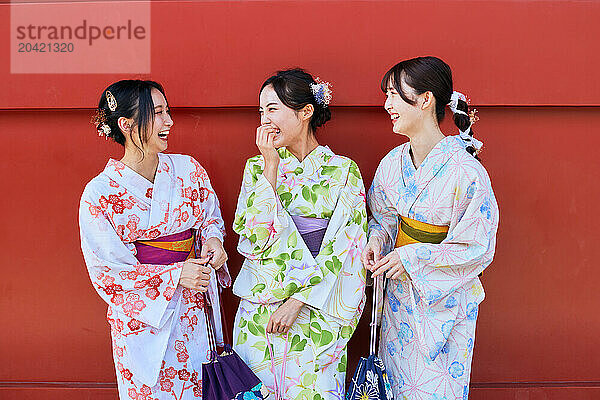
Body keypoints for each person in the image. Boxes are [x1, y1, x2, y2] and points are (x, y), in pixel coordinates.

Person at [79, 80, 230, 399]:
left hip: (194, 310)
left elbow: (210, 219)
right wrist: (176, 275)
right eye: (158, 113)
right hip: (143, 322)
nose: (169, 121)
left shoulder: (189, 170)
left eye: (167, 111)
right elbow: (108, 274)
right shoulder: (101, 194)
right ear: (127, 124)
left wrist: (214, 241)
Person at [362, 56, 499, 400]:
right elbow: (381, 219)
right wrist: (377, 241)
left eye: (394, 94)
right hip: (397, 303)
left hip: (444, 308)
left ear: (426, 100)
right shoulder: (392, 163)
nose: (387, 104)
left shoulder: (466, 172)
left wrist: (412, 257)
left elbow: (476, 247)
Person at [232, 69, 367, 399]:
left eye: (273, 108)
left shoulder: (342, 170)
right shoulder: (257, 166)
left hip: (318, 304)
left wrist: (299, 299)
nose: (265, 119)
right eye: (261, 111)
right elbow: (254, 236)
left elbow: (347, 245)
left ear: (306, 112)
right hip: (262, 306)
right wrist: (270, 166)